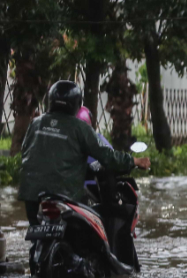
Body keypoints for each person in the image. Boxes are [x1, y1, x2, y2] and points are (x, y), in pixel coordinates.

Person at [18, 81, 150, 224]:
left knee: (35, 237)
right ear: (76, 104)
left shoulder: (35, 123)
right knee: (82, 232)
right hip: (65, 195)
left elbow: (25, 151)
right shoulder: (79, 127)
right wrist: (134, 161)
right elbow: (107, 156)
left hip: (30, 194)